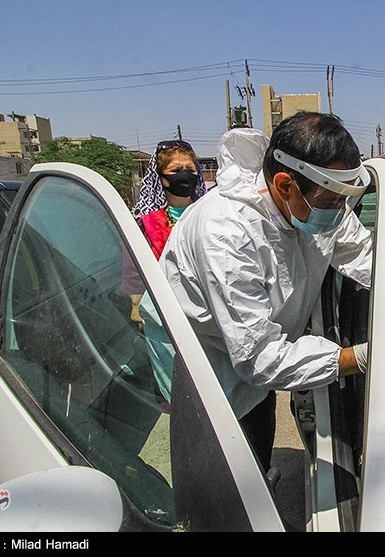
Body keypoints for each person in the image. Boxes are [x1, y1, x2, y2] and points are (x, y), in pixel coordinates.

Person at [157, 112, 372, 472]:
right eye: (333, 201)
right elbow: (259, 358)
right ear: (285, 185)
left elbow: (364, 256)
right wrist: (361, 357)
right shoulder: (226, 235)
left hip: (260, 366)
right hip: (215, 376)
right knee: (229, 481)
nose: (341, 211)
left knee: (259, 448)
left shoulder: (314, 201)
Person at [123, 140, 206, 326]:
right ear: (161, 177)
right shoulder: (145, 221)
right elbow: (133, 265)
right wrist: (136, 304)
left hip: (205, 307)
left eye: (190, 170)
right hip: (162, 311)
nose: (184, 175)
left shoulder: (209, 212)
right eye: (176, 170)